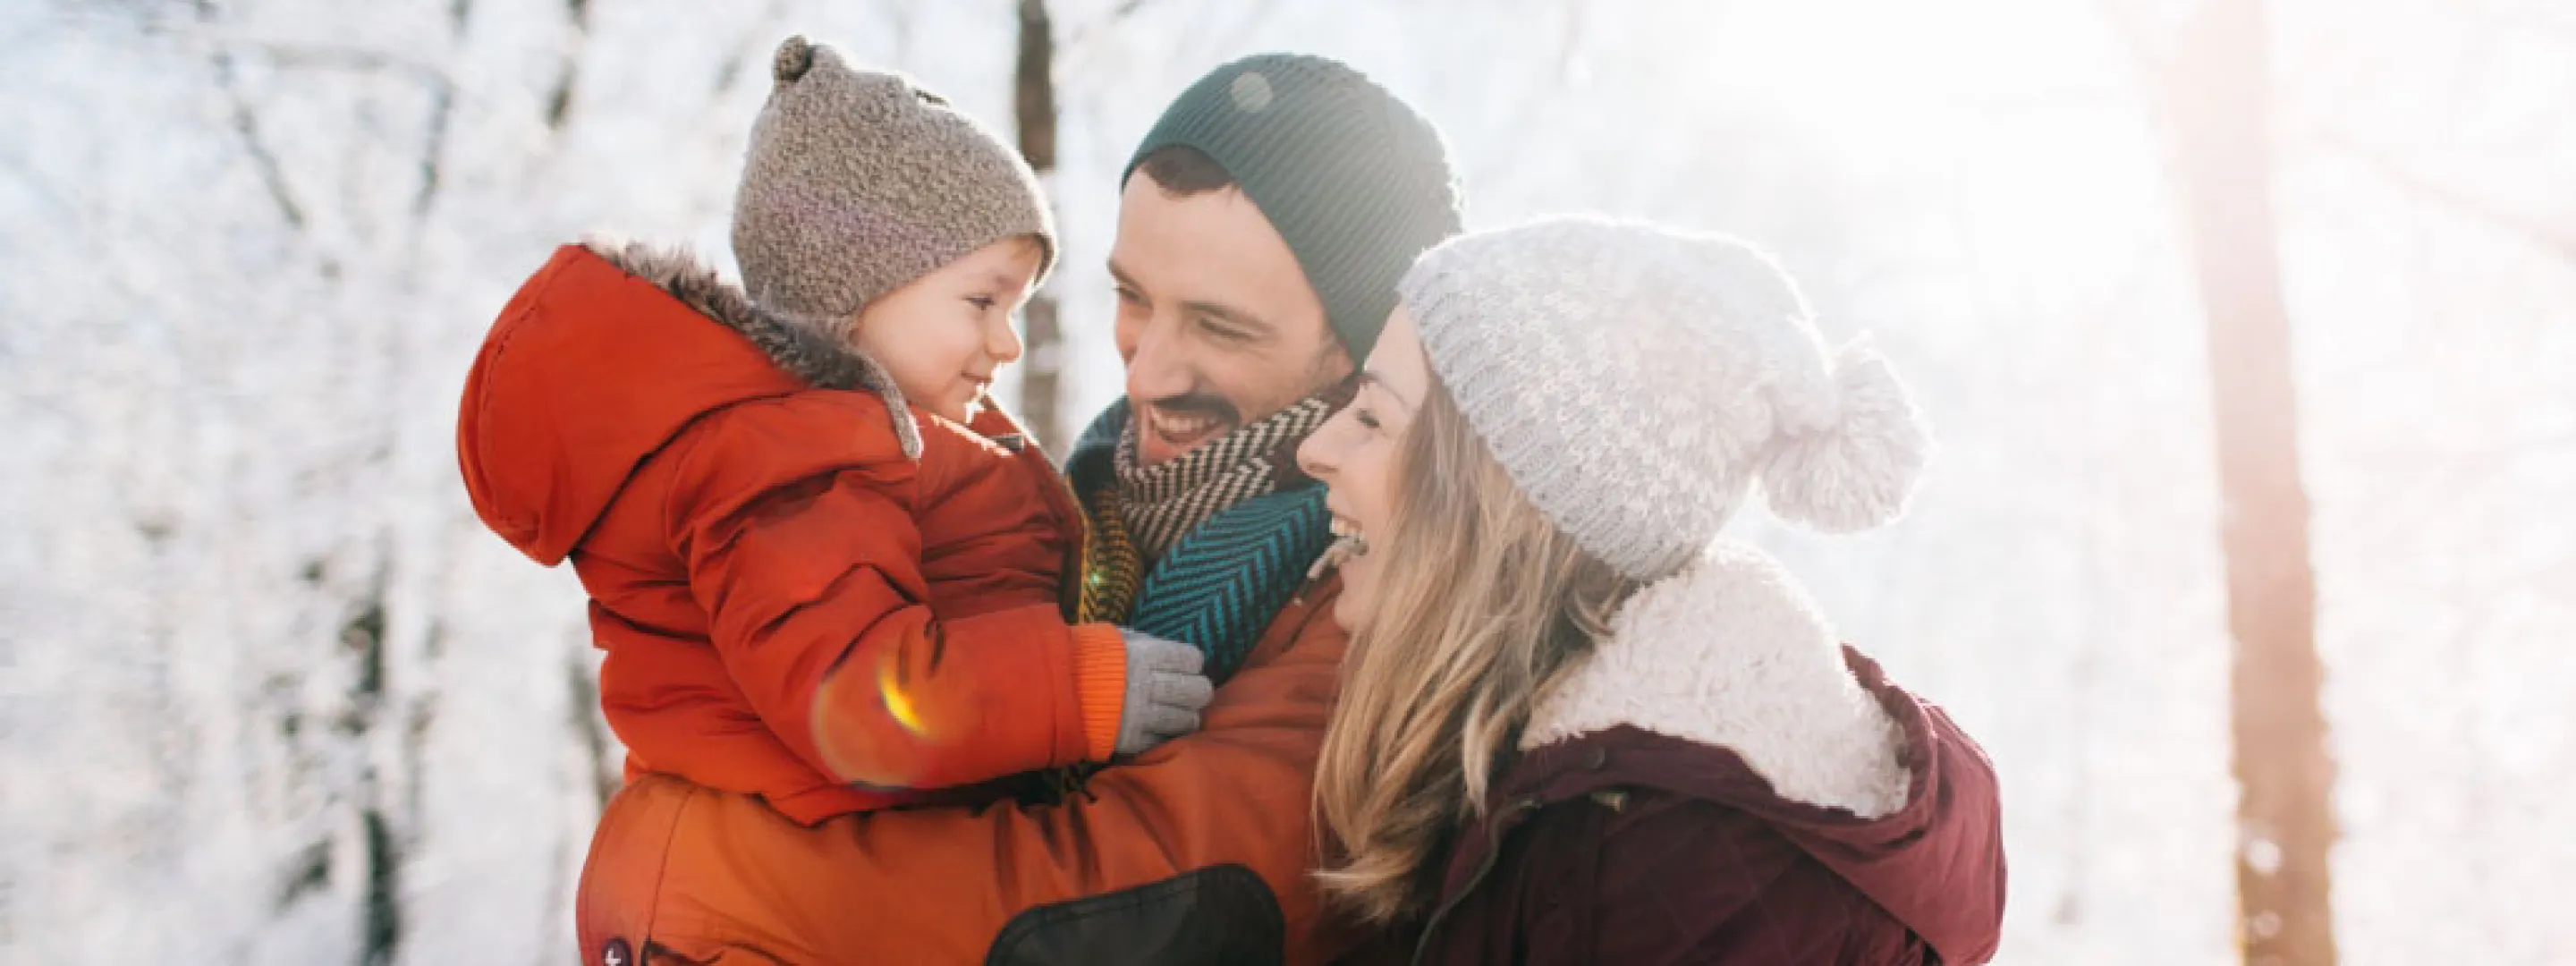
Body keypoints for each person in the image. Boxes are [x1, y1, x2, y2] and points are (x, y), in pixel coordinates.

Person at [563, 54, 1467, 965]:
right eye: (1132, 298)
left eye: (1222, 327)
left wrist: (690, 866)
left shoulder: (1379, 589)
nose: (1146, 372)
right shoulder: (1077, 512)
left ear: (1365, 350)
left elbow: (1149, 912)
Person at [458, 36, 1216, 848]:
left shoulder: (854, 442)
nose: (1008, 344)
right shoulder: (788, 465)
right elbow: (856, 695)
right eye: (982, 301)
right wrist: (1077, 689)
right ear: (858, 288)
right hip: (824, 859)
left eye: (1017, 310)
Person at [1296, 216, 2008, 963]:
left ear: (1497, 504)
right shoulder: (1543, 790)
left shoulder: (1681, 881)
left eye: (1373, 416)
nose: (1317, 449)